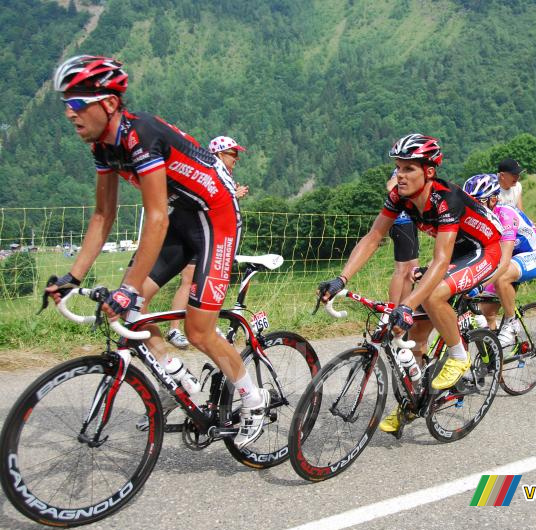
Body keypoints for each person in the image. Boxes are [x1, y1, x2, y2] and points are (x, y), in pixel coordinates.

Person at [47, 55, 266, 447]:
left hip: (216, 217)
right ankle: (175, 372)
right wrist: (71, 277)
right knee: (131, 311)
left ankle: (253, 399)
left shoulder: (140, 135)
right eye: (66, 103)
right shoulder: (103, 147)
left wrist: (127, 287)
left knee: (198, 329)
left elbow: (156, 217)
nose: (69, 113)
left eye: (78, 103)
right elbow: (103, 215)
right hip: (186, 216)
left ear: (109, 103)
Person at [316, 133, 503, 433]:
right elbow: (374, 236)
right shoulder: (399, 197)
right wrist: (341, 279)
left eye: (408, 169)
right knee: (414, 335)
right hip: (456, 250)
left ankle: (459, 357)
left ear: (428, 171)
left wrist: (406, 304)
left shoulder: (446, 198)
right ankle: (414, 404)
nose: (399, 175)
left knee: (432, 295)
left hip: (484, 250)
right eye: (398, 168)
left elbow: (441, 260)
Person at [166, 135, 250, 348]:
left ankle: (204, 325)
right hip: (200, 234)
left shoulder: (226, 175)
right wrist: (235, 195)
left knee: (203, 283)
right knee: (188, 281)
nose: (236, 158)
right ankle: (175, 330)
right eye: (233, 153)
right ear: (219, 154)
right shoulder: (212, 172)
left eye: (237, 153)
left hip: (210, 236)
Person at [462, 174, 536, 347]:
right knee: (486, 313)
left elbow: (505, 261)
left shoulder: (505, 214)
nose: (473, 207)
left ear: (493, 200)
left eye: (478, 202)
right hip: (507, 259)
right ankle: (493, 365)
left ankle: (511, 323)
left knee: (502, 277)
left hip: (532, 254)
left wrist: (480, 285)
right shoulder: (478, 217)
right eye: (469, 202)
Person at [386, 169, 419, 308]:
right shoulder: (402, 170)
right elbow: (390, 186)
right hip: (400, 222)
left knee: (412, 268)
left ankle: (403, 308)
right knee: (401, 269)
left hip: (412, 222)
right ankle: (389, 310)